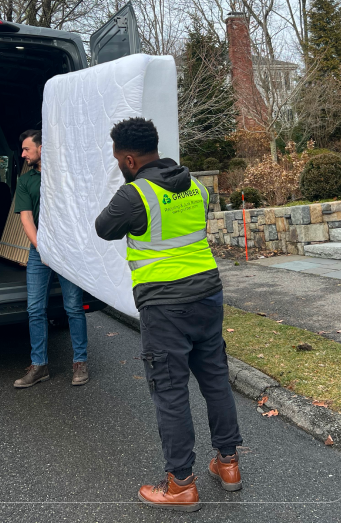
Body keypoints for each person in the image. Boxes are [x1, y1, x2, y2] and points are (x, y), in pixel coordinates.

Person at [95, 117, 242, 511]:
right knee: (214, 379)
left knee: (170, 391)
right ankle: (228, 464)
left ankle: (180, 485)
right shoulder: (195, 186)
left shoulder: (135, 195)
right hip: (208, 295)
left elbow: (103, 228)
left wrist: (129, 189)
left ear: (128, 158)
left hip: (165, 305)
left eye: (117, 159)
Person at [13, 129, 89, 388]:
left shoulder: (66, 177)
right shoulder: (25, 181)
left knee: (73, 308)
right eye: (22, 151)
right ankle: (39, 366)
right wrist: (43, 248)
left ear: (42, 148)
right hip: (39, 252)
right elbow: (26, 218)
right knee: (35, 309)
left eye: (26, 149)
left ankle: (80, 363)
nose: (23, 154)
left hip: (67, 250)